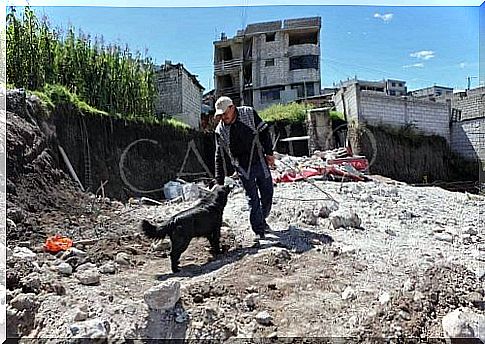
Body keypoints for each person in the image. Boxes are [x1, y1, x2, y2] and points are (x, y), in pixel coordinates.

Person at [213, 96, 275, 239]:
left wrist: (269, 153)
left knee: (268, 194)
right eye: (220, 115)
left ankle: (262, 218)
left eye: (225, 113)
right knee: (252, 199)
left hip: (259, 160)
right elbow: (219, 156)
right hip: (241, 166)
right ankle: (259, 232)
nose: (223, 117)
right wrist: (219, 181)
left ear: (232, 107)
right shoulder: (220, 131)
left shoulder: (248, 113)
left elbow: (264, 132)